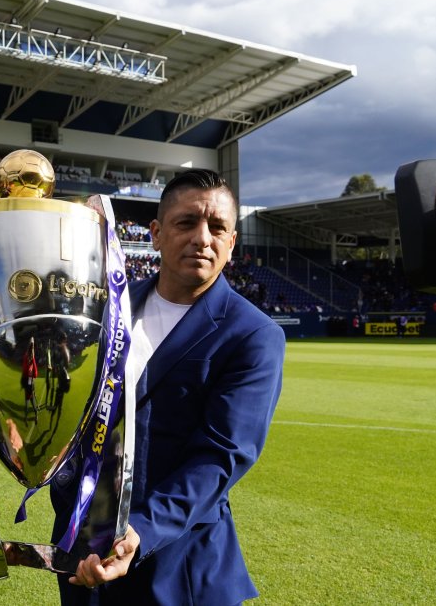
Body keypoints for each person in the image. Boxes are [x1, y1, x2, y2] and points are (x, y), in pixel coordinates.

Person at [57, 169, 285, 605]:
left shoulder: (254, 335)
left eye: (217, 227)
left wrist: (139, 531)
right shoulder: (104, 311)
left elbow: (220, 457)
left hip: (180, 572)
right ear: (156, 234)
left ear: (232, 241)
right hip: (83, 559)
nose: (203, 238)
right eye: (187, 222)